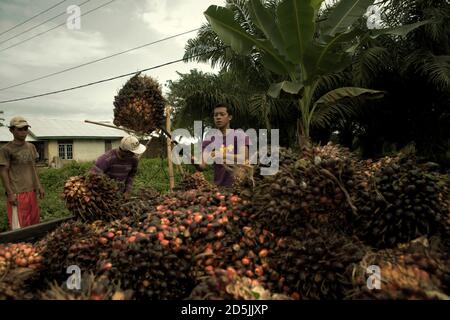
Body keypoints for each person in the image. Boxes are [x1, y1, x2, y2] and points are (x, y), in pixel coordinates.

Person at [0, 116, 45, 230]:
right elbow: (3, 171)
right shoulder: (6, 149)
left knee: (34, 223)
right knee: (20, 227)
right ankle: (20, 247)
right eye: (19, 129)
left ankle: (33, 247)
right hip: (17, 192)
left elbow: (33, 167)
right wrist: (10, 193)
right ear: (12, 130)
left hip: (31, 190)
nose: (23, 131)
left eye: (25, 128)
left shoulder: (31, 147)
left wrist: (39, 185)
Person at [194, 104, 251, 187]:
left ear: (230, 117)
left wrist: (221, 154)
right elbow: (202, 166)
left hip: (240, 187)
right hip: (219, 187)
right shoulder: (209, 139)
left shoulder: (240, 135)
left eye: (222, 114)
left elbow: (244, 157)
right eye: (215, 115)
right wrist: (191, 159)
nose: (218, 117)